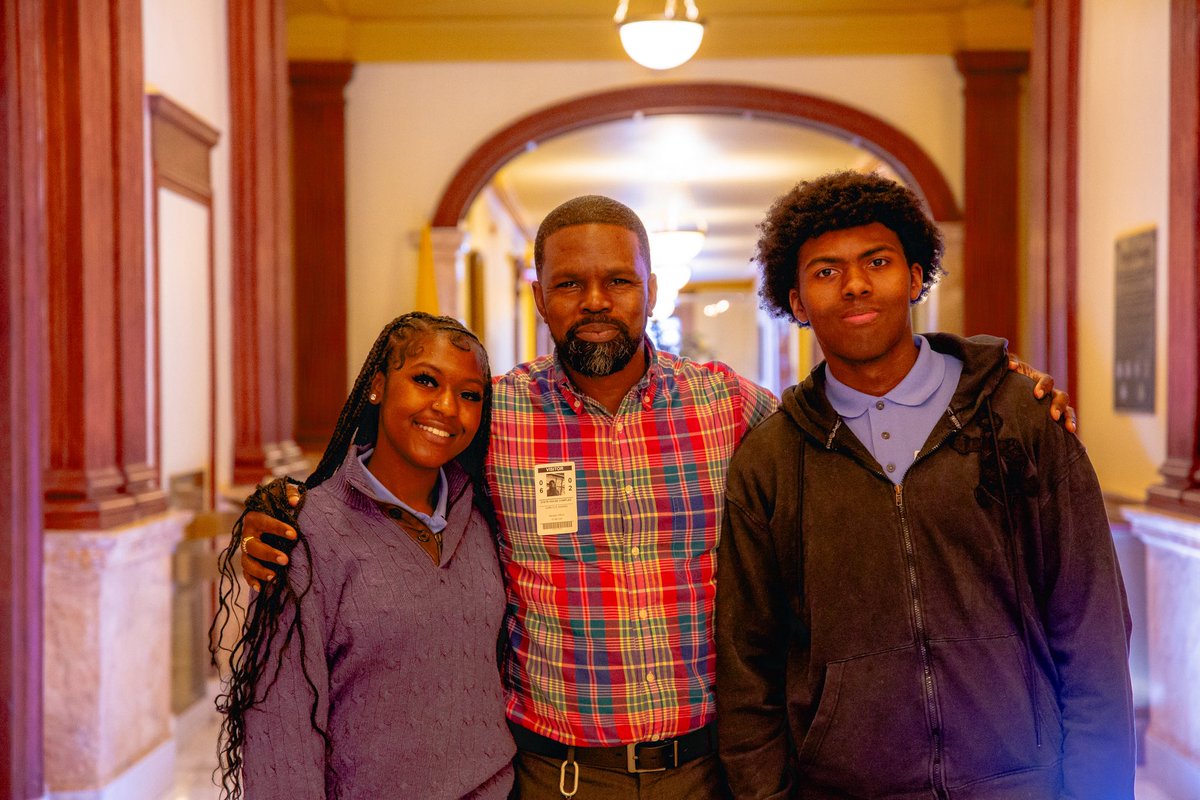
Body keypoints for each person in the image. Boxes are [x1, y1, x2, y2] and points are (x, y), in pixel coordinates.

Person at [238, 195, 1073, 799]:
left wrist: (993, 382)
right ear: (539, 298)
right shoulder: (495, 416)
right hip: (556, 778)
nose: (595, 303)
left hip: (713, 770)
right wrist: (282, 512)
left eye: (618, 282)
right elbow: (396, 477)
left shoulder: (738, 409)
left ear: (651, 288)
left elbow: (854, 439)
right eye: (569, 285)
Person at [715, 171, 1135, 800]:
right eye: (826, 271)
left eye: (877, 262)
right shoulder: (771, 459)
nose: (855, 283)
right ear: (796, 302)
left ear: (914, 276)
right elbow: (748, 664)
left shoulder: (1018, 418)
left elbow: (1091, 620)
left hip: (1023, 782)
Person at [210, 312, 514, 800]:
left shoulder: (481, 517)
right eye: (424, 380)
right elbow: (280, 721)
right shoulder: (307, 533)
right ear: (377, 386)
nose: (447, 407)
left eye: (470, 394)